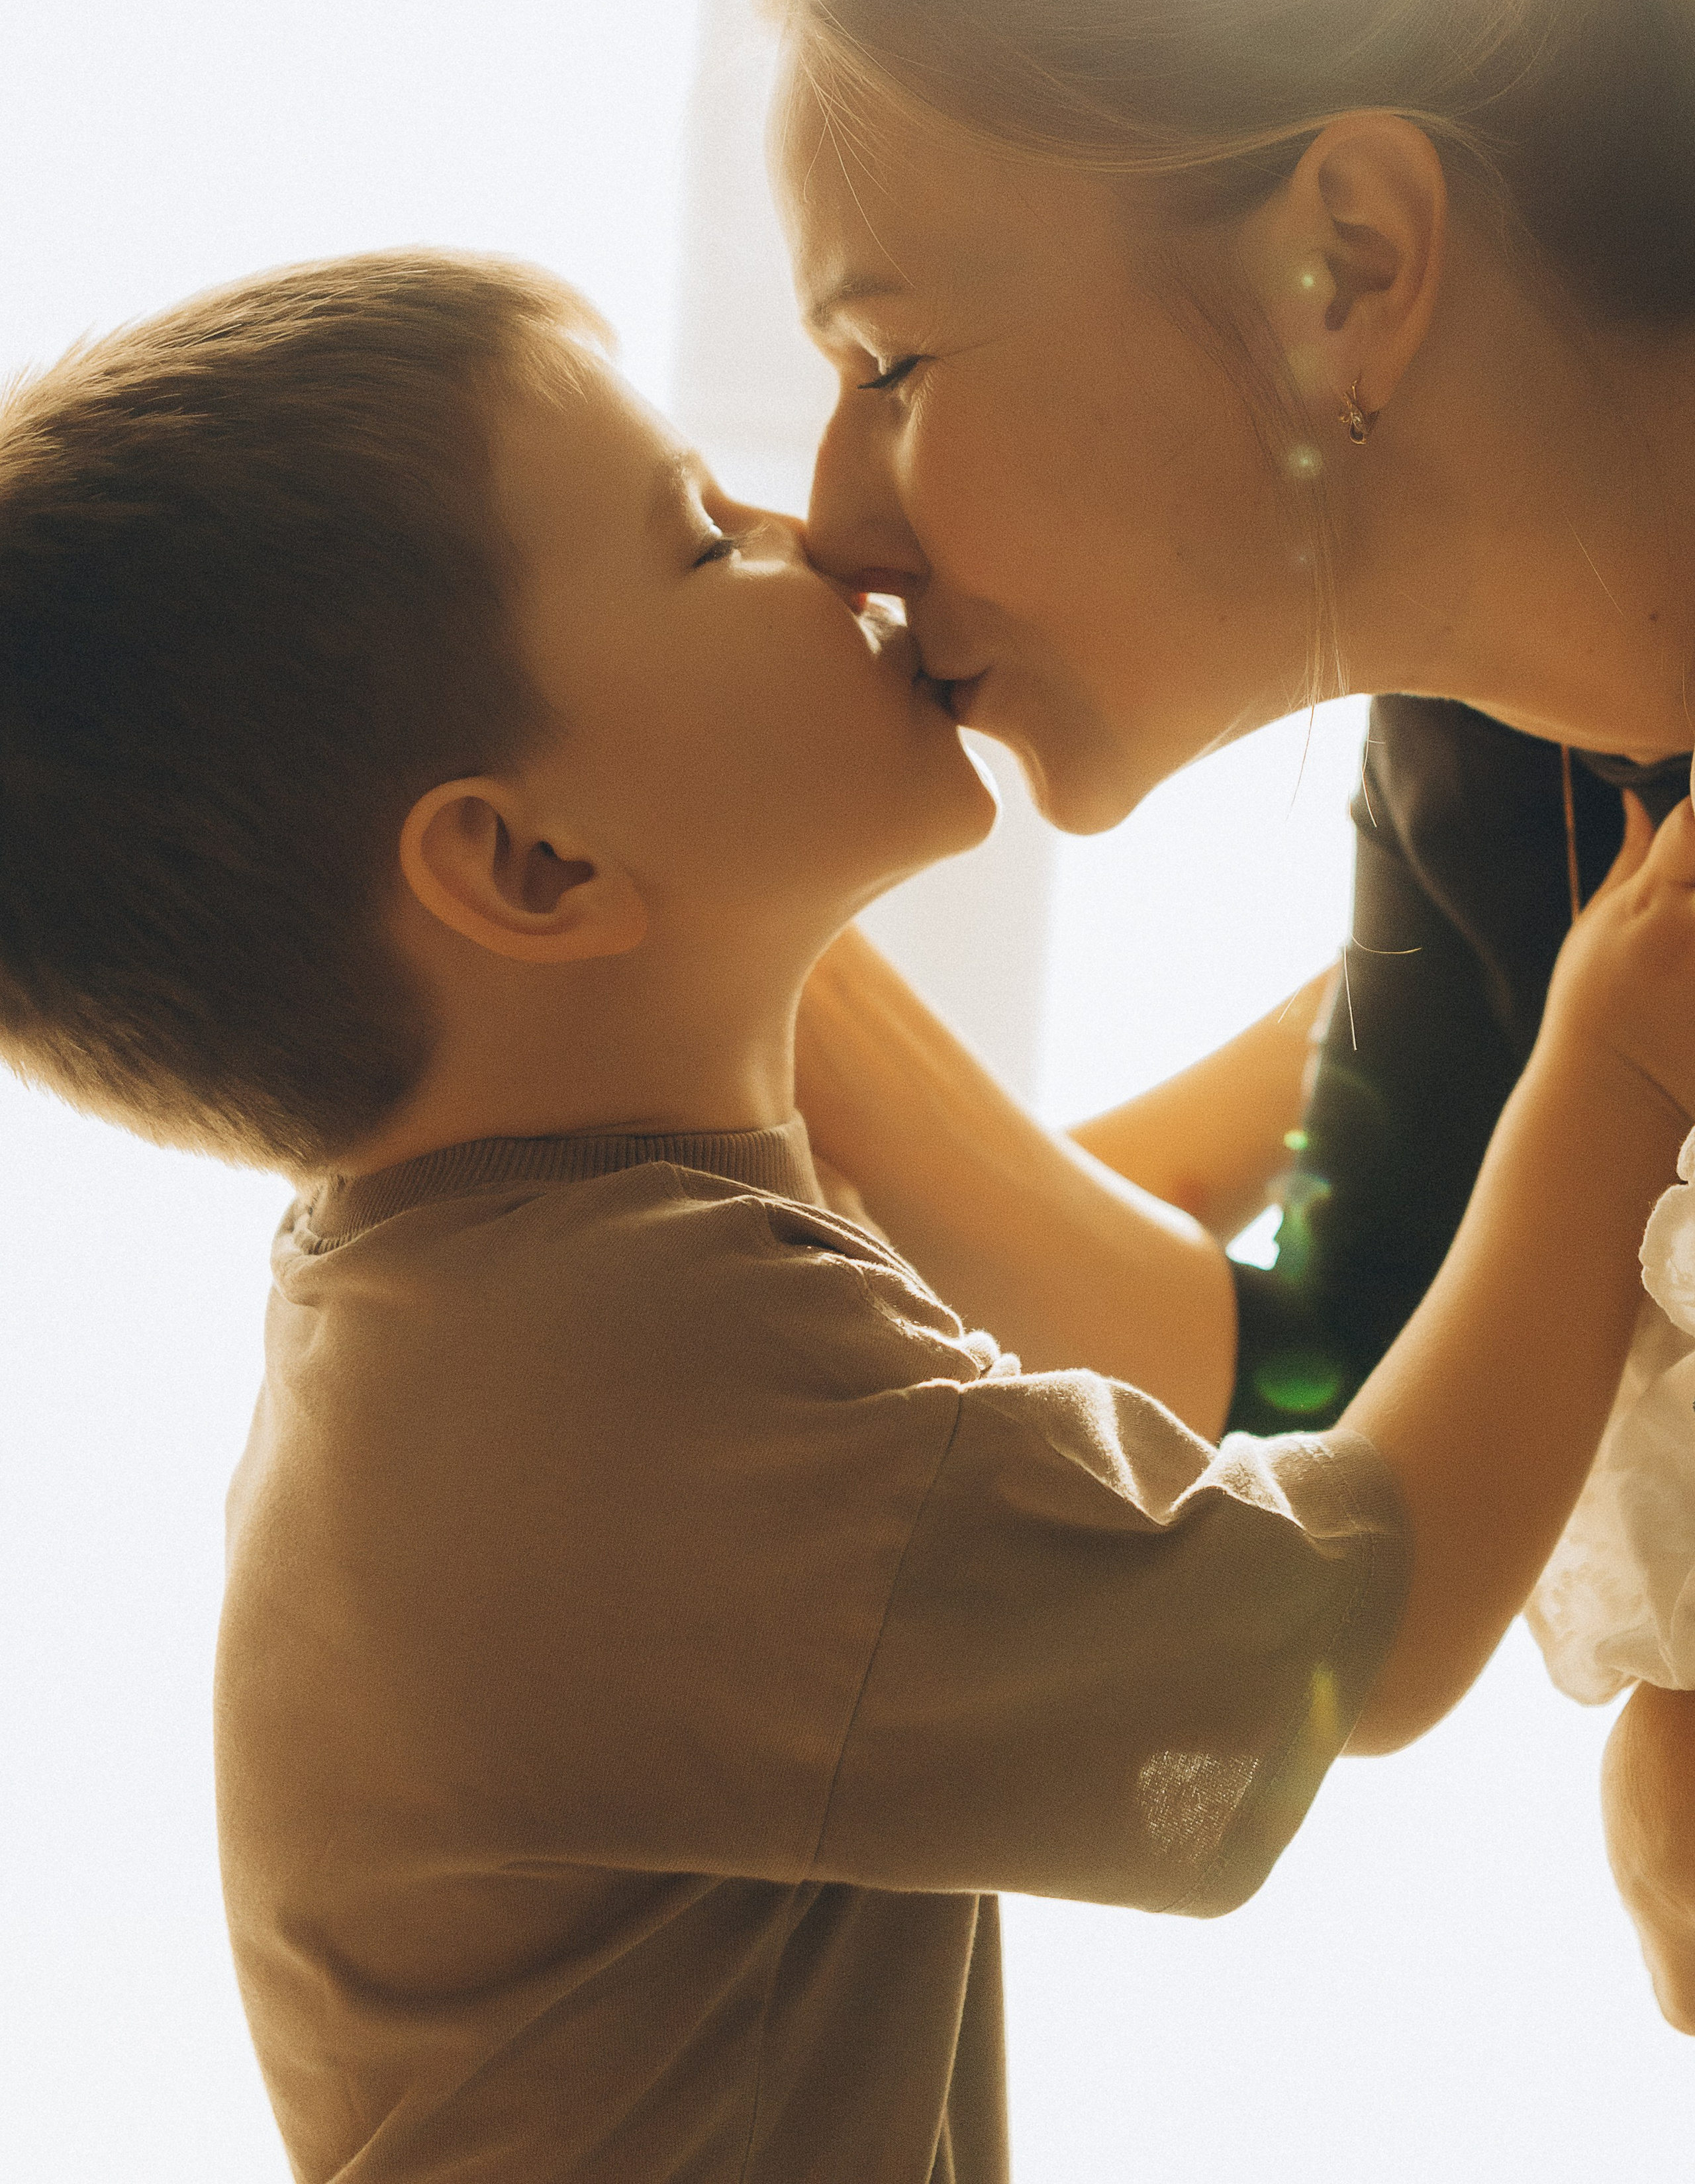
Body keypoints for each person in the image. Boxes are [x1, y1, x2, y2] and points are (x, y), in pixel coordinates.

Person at [1, 249, 1692, 2181]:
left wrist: (1469, 1008)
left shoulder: (499, 1282)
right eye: (699, 536)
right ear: (531, 861)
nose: (815, 533)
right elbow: (1354, 1644)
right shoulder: (622, 1412)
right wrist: (1610, 1074)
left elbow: (1002, 1372)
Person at [764, 0, 1695, 2030]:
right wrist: (775, 1007)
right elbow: (1328, 1387)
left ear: (1347, 266)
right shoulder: (1498, 772)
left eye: (885, 358)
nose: (830, 519)